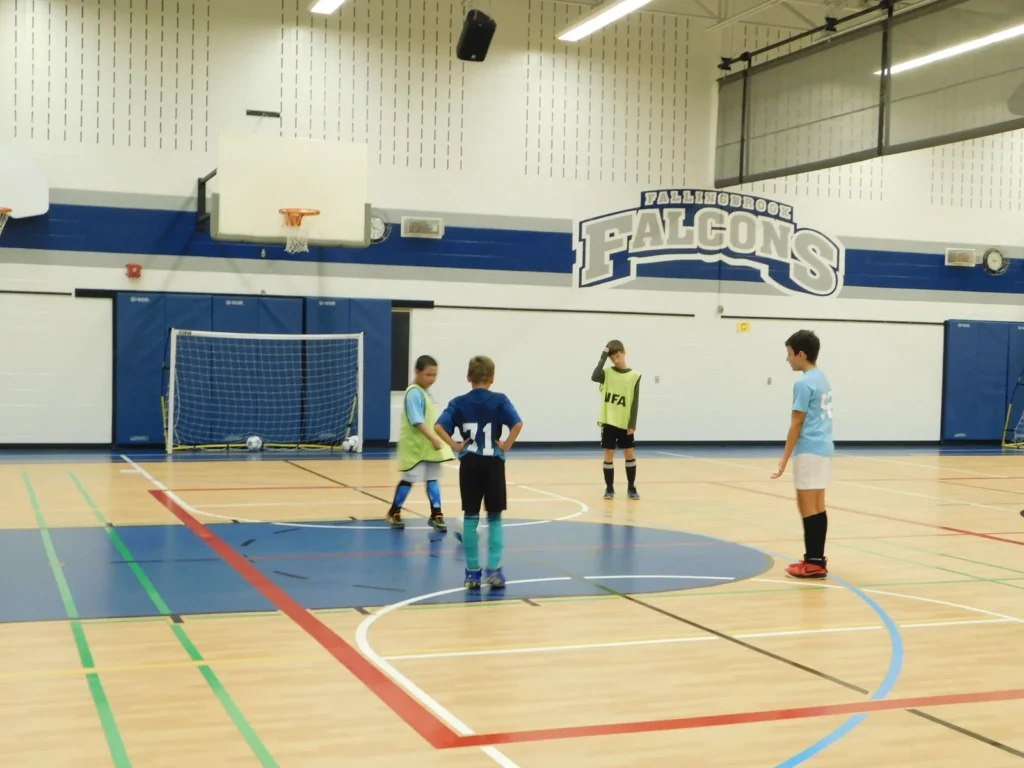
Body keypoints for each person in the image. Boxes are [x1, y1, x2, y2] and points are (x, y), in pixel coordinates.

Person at [434, 355, 523, 589]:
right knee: (494, 518)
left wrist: (455, 446)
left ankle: (472, 573)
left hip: (470, 463)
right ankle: (494, 569)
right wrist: (506, 445)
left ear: (468, 378)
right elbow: (518, 424)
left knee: (470, 518)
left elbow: (438, 426)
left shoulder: (458, 402)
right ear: (492, 378)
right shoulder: (500, 400)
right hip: (493, 462)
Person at [771, 329, 833, 579]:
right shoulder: (822, 378)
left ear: (801, 354)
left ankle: (814, 562)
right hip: (824, 450)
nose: (787, 359)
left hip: (809, 450)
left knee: (807, 506)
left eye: (789, 353)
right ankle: (815, 558)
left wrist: (784, 458)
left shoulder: (803, 383)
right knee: (818, 505)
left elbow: (796, 423)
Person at [387, 354, 453, 531]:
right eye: (428, 374)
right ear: (417, 372)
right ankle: (394, 511)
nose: (432, 379)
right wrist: (433, 438)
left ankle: (436, 514)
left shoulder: (427, 393)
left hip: (430, 446)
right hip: (416, 446)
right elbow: (417, 421)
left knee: (433, 479)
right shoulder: (413, 393)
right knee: (409, 479)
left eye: (434, 375)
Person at [591, 340, 641, 499]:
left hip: (625, 422)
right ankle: (609, 488)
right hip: (609, 421)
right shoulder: (606, 373)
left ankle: (631, 487)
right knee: (609, 453)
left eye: (617, 356)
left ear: (624, 352)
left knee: (629, 453)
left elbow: (635, 401)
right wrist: (603, 356)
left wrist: (632, 423)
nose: (616, 360)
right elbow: (594, 376)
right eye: (612, 358)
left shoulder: (634, 376)